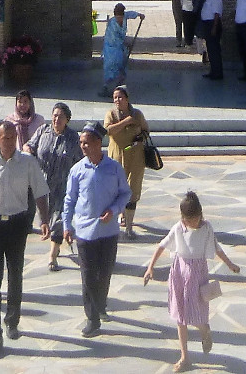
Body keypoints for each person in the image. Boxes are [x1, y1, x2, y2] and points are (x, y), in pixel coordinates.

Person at [0, 119, 49, 358]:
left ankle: (12, 320)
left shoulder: (27, 162)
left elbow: (40, 191)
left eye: (13, 138)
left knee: (15, 274)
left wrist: (44, 219)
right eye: (6, 138)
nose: (10, 142)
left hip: (16, 224)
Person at [141, 190, 242, 372]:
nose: (193, 222)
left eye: (195, 218)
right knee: (180, 317)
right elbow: (162, 246)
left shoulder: (207, 228)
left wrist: (230, 264)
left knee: (194, 312)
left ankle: (204, 330)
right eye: (189, 219)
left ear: (200, 215)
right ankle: (185, 357)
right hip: (179, 272)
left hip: (197, 274)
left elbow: (217, 249)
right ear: (183, 218)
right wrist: (150, 267)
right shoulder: (179, 228)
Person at [62, 123, 130, 337]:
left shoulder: (114, 168)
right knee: (88, 275)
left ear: (98, 143)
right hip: (84, 231)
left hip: (108, 231)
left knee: (105, 273)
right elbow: (69, 200)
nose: (83, 146)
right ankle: (92, 319)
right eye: (81, 142)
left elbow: (125, 193)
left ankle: (100, 305)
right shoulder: (77, 170)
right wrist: (66, 225)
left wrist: (114, 209)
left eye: (87, 142)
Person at [31, 103, 82, 273]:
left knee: (59, 220)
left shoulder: (73, 138)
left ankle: (52, 255)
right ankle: (56, 242)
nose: (56, 119)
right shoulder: (42, 131)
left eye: (60, 116)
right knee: (45, 218)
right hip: (42, 185)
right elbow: (30, 146)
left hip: (63, 186)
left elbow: (80, 161)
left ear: (67, 119)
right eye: (54, 115)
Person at [101, 85, 150, 233]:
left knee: (133, 190)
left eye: (120, 97)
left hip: (135, 158)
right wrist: (126, 122)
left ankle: (129, 226)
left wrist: (139, 138)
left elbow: (146, 131)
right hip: (116, 157)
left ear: (127, 99)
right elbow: (108, 131)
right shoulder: (111, 114)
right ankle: (119, 216)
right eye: (115, 97)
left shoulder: (138, 114)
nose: (117, 100)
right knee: (116, 189)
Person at [100, 4, 131, 97]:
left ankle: (118, 87)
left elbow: (130, 14)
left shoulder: (124, 18)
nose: (120, 19)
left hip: (119, 50)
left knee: (121, 67)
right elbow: (115, 39)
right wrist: (125, 43)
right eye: (118, 17)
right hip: (111, 49)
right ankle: (106, 87)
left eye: (121, 17)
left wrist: (138, 15)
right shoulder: (112, 24)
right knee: (110, 68)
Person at [198, 0, 225, 80]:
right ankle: (213, 70)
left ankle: (217, 73)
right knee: (210, 49)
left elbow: (217, 14)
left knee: (214, 49)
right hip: (208, 24)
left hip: (213, 24)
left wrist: (214, 27)